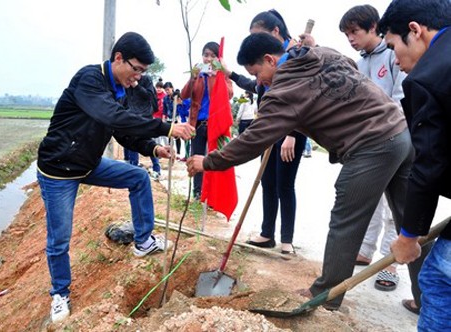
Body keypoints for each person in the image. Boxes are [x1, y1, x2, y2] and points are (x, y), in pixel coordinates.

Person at [187, 32, 414, 311]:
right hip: (401, 134)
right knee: (412, 225)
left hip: (371, 146)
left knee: (346, 223)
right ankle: (427, 297)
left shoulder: (284, 92)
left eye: (258, 73)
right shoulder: (322, 53)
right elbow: (351, 68)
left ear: (271, 59)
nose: (259, 82)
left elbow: (251, 141)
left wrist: (208, 163)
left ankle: (325, 296)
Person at [36, 32, 194, 323]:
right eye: (136, 70)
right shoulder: (90, 80)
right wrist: (166, 128)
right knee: (59, 239)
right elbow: (113, 118)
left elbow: (123, 132)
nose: (137, 78)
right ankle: (60, 294)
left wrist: (154, 147)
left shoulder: (118, 91)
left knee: (138, 177)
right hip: (57, 172)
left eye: (143, 73)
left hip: (87, 164)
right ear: (118, 58)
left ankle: (143, 241)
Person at [379, 1, 451, 330]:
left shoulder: (428, 76)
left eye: (393, 46)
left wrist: (409, 236)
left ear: (415, 30)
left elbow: (428, 165)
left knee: (438, 277)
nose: (395, 60)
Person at [221, 10, 306, 254]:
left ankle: (286, 239)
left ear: (275, 32)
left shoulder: (295, 57)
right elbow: (256, 85)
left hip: (291, 132)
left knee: (285, 184)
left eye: (258, 37)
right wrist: (231, 74)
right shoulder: (267, 67)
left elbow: (299, 101)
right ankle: (267, 233)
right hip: (270, 129)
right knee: (266, 181)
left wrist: (292, 134)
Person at [339, 4, 407, 294]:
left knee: (395, 202)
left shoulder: (393, 55)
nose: (351, 39)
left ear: (373, 28)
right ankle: (365, 249)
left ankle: (390, 264)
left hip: (395, 135)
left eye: (354, 32)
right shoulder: (359, 61)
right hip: (367, 138)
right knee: (372, 197)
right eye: (346, 34)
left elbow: (402, 97)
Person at [180, 41, 233, 200]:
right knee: (196, 158)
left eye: (212, 55)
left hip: (215, 125)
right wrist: (193, 77)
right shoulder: (198, 75)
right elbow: (184, 95)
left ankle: (212, 195)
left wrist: (217, 77)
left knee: (213, 159)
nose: (208, 59)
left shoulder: (222, 75)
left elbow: (229, 94)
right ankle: (197, 193)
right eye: (206, 55)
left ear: (218, 58)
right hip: (197, 124)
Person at [163, 82, 182, 156]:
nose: (167, 91)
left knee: (177, 136)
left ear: (172, 88)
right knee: (169, 134)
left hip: (177, 118)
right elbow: (164, 109)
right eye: (166, 90)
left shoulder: (177, 96)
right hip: (169, 118)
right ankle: (170, 151)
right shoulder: (165, 98)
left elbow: (181, 106)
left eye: (168, 89)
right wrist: (164, 117)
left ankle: (178, 152)